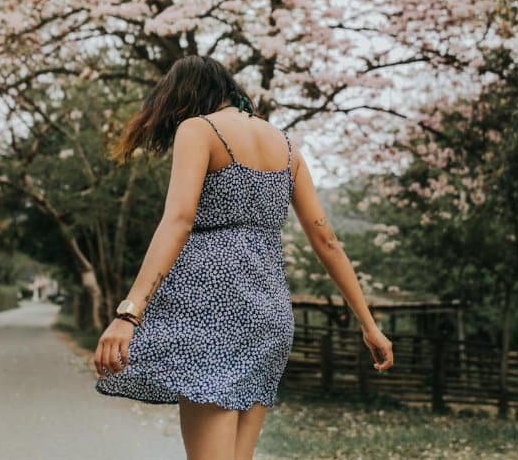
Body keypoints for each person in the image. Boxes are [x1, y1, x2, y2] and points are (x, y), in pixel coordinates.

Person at [93, 55, 394, 460]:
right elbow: (327, 242)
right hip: (268, 315)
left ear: (185, 96)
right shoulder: (287, 147)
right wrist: (369, 325)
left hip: (211, 308)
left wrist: (129, 313)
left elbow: (178, 220)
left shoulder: (198, 129)